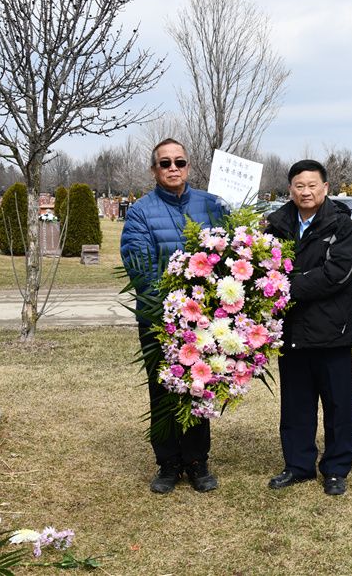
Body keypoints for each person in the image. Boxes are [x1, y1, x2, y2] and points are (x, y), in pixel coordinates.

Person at [120, 138, 227, 495]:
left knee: (198, 386)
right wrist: (174, 311)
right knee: (164, 389)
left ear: (189, 166)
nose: (172, 169)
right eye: (164, 163)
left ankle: (197, 461)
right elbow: (140, 267)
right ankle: (167, 463)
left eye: (179, 162)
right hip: (159, 319)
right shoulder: (140, 212)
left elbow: (227, 256)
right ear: (154, 170)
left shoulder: (211, 206)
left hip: (204, 322)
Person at [264, 160, 352, 496]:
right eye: (299, 186)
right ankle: (298, 465)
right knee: (296, 403)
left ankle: (335, 469)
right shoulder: (275, 226)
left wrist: (286, 284)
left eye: (312, 185)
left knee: (337, 405)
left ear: (325, 188)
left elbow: (336, 274)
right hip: (291, 330)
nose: (306, 191)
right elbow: (263, 269)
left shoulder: (341, 225)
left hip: (332, 330)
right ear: (290, 189)